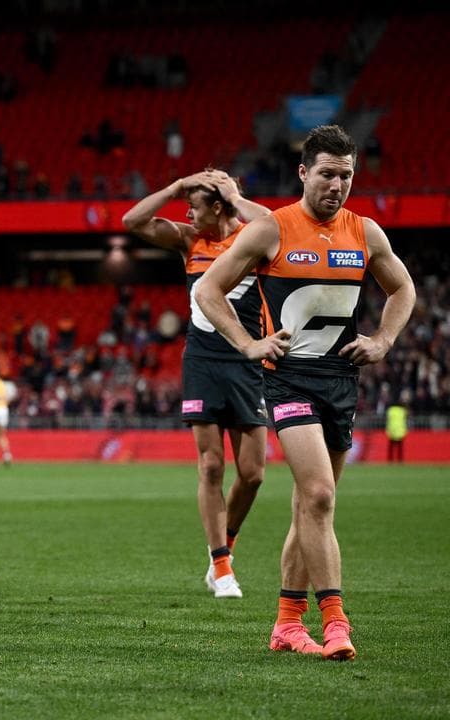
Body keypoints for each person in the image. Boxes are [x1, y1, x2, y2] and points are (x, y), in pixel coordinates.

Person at [196, 124, 414, 660]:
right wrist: (249, 343)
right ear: (303, 173)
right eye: (326, 174)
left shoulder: (365, 233)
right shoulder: (272, 229)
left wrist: (384, 338)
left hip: (340, 382)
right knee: (318, 494)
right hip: (288, 378)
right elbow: (208, 288)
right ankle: (336, 620)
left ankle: (287, 625)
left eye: (346, 176)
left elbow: (402, 287)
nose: (336, 185)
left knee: (310, 509)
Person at [122, 168, 273, 599]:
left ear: (221, 206)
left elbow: (277, 225)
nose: (187, 211)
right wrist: (174, 187)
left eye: (195, 204)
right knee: (210, 465)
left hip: (248, 358)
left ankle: (225, 545)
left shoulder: (254, 237)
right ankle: (221, 565)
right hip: (203, 361)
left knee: (254, 474)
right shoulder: (191, 240)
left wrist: (235, 195)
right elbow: (132, 222)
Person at [385, 390, 408, 463]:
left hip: (392, 431)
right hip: (400, 432)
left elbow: (388, 421)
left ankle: (390, 461)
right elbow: (405, 421)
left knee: (391, 448)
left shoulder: (390, 410)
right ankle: (400, 461)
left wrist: (388, 430)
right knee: (400, 448)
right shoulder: (403, 411)